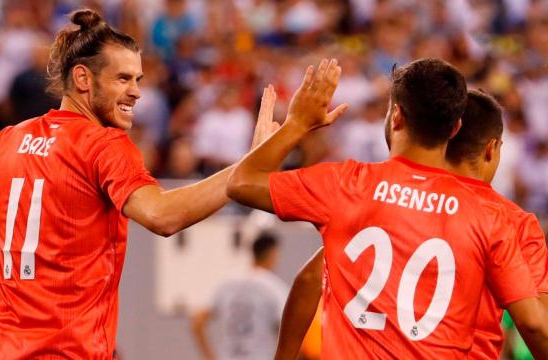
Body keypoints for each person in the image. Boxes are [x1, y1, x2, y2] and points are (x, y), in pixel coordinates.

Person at [0, 9, 278, 359]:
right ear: (84, 79)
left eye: (138, 79)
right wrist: (247, 167)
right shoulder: (102, 146)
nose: (136, 91)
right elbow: (163, 216)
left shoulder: (4, 142)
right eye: (123, 79)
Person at [226, 58, 548, 358]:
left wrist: (295, 125)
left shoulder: (350, 185)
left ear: (396, 116)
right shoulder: (495, 218)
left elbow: (242, 185)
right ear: (454, 131)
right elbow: (535, 325)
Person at [191, 232, 288, 360]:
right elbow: (290, 332)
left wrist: (208, 356)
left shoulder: (227, 282)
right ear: (273, 254)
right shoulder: (275, 288)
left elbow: (197, 321)